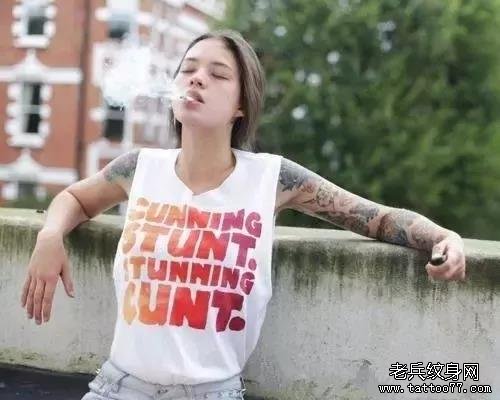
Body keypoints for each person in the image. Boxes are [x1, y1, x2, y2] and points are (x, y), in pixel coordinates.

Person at [20, 29, 466, 400]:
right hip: (120, 388)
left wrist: (442, 237)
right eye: (188, 70)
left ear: (241, 106)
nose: (197, 79)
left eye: (217, 75)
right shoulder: (139, 168)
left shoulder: (272, 178)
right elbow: (75, 199)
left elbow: (377, 219)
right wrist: (50, 236)